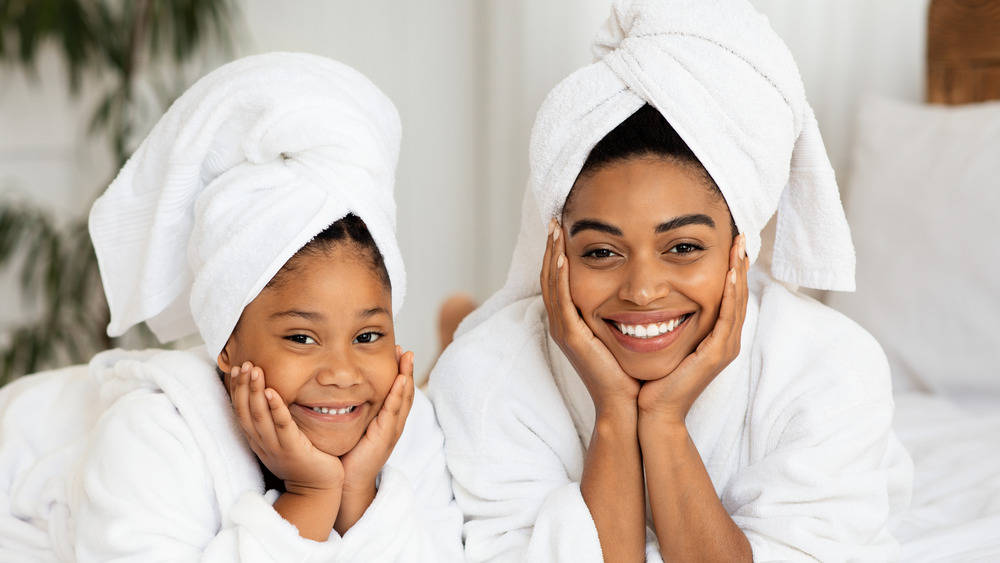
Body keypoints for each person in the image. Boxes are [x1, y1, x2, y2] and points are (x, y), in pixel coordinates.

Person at [428, 1, 912, 561]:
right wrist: (613, 412)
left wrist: (662, 421)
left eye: (682, 248)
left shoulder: (830, 366)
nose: (642, 289)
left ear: (741, 249)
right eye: (602, 251)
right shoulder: (487, 375)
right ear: (555, 250)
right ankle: (448, 331)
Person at [0, 53, 463, 561]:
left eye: (368, 336)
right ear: (226, 344)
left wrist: (359, 497)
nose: (341, 373)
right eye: (302, 338)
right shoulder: (152, 439)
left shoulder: (403, 428)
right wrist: (310, 498)